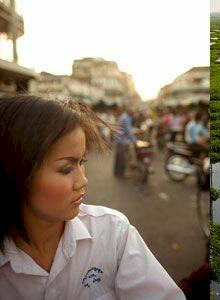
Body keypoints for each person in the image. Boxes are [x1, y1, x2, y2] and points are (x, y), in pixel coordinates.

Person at [0, 96, 185, 299]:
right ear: (15, 173)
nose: (83, 181)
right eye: (66, 168)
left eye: (82, 162)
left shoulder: (113, 233)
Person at [113, 106, 138, 177]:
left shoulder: (124, 116)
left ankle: (118, 172)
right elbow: (129, 132)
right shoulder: (126, 118)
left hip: (120, 139)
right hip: (123, 141)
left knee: (119, 158)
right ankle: (124, 172)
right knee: (124, 158)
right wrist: (135, 141)